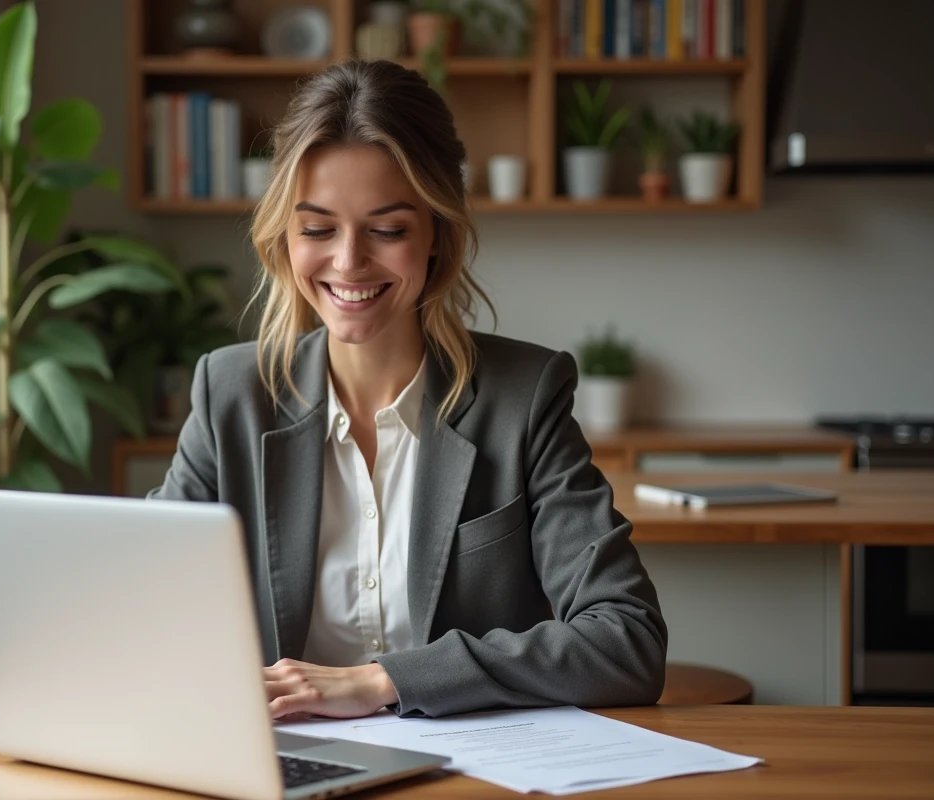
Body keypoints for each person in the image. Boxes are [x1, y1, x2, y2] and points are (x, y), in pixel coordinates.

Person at [149, 59, 666, 721]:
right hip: (284, 767)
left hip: (469, 775)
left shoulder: (523, 399)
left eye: (387, 229)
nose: (347, 261)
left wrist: (383, 681)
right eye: (316, 229)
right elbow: (147, 608)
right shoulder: (229, 395)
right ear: (284, 237)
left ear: (436, 236)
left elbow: (628, 642)